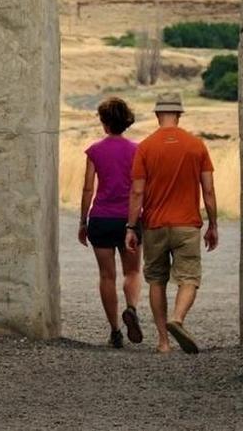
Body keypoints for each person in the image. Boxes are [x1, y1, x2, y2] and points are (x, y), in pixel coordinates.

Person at [125, 92, 219, 354]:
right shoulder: (197, 145)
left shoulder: (145, 147)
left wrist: (132, 227)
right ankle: (177, 318)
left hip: (154, 225)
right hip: (187, 225)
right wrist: (213, 224)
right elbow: (208, 191)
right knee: (188, 277)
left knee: (157, 280)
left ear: (157, 115)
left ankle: (164, 342)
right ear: (179, 115)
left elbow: (136, 192)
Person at [79, 97, 144, 348]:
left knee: (107, 276)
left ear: (104, 122)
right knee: (133, 271)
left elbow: (87, 189)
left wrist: (82, 221)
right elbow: (140, 188)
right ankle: (131, 308)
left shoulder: (94, 151)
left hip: (101, 218)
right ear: (125, 121)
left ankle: (115, 330)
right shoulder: (137, 151)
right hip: (129, 218)